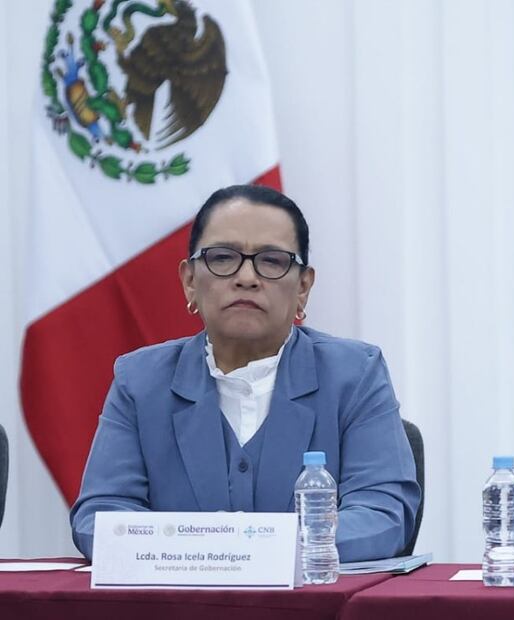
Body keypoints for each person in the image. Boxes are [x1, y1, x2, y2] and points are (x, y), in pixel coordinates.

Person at [70, 185, 420, 561]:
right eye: (223, 258)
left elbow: (384, 516)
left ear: (303, 287)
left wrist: (242, 549)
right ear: (189, 280)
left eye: (272, 261)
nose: (247, 277)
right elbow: (100, 518)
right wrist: (223, 551)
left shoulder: (354, 375)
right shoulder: (140, 381)